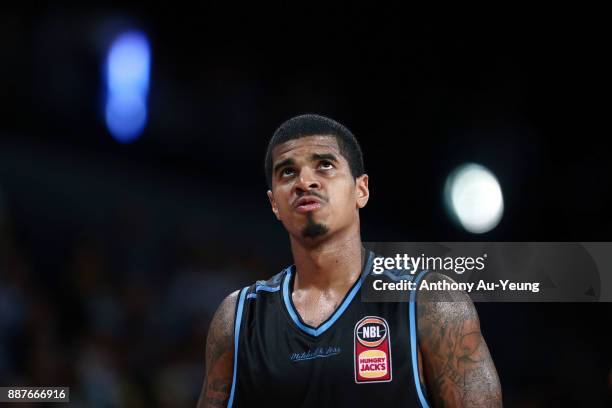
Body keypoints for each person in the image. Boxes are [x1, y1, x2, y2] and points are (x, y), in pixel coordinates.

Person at [197, 114, 502, 407]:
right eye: (288, 172)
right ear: (274, 203)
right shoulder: (238, 319)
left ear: (361, 190)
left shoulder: (430, 302)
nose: (305, 181)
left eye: (324, 165)